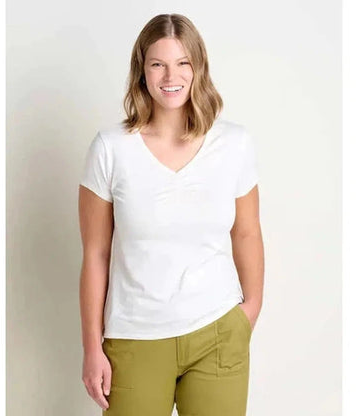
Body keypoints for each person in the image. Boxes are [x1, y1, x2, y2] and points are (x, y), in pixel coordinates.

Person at [78, 13, 264, 416]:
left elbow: (247, 232)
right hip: (134, 338)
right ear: (141, 71)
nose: (170, 76)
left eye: (182, 63)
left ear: (198, 68)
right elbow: (96, 253)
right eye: (157, 64)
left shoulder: (234, 144)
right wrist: (92, 347)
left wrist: (249, 311)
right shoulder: (110, 148)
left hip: (218, 331)